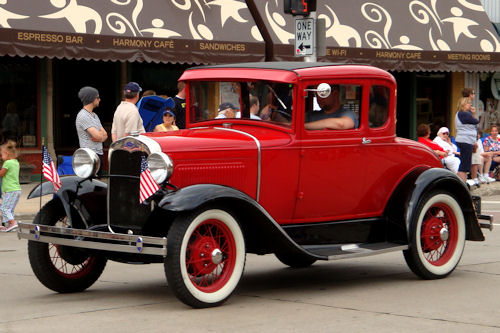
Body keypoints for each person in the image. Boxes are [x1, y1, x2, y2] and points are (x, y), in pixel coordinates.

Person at [75, 86, 107, 174]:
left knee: (97, 184)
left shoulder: (95, 115)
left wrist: (100, 136)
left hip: (98, 155)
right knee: (90, 185)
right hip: (88, 157)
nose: (99, 100)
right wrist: (100, 136)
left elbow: (105, 135)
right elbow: (98, 135)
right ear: (92, 99)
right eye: (97, 97)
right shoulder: (83, 115)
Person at [455, 96, 479, 183]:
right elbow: (476, 121)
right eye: (469, 103)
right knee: (465, 165)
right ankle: (461, 184)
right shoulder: (463, 114)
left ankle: (463, 183)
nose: (470, 105)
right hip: (465, 141)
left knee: (465, 163)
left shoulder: (463, 114)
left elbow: (474, 123)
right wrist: (473, 113)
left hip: (466, 140)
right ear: (464, 104)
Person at [0, 140, 20, 232]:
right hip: (16, 190)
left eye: (1, 154)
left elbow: (1, 174)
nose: (1, 157)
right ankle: (9, 226)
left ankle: (13, 223)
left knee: (4, 208)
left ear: (7, 153)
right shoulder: (16, 162)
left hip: (10, 190)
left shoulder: (7, 163)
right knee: (9, 209)